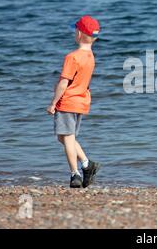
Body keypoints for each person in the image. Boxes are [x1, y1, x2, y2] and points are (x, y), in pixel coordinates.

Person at [46, 15, 101, 188]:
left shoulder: (72, 57)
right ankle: (86, 164)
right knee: (64, 137)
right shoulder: (90, 57)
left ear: (78, 34)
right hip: (81, 102)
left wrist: (53, 102)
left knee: (67, 138)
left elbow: (63, 83)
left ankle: (74, 174)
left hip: (68, 101)